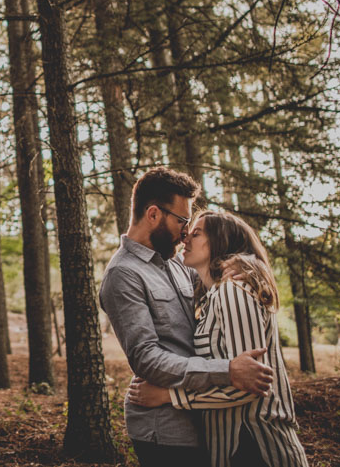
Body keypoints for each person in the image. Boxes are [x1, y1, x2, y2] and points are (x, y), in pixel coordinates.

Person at [98, 167, 273, 467]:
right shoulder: (123, 275)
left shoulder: (175, 262)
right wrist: (227, 370)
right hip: (165, 428)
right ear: (153, 214)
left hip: (202, 416)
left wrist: (241, 267)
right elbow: (147, 359)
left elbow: (216, 272)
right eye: (181, 220)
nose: (186, 231)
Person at [127, 211, 308, 467]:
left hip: (256, 447)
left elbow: (251, 385)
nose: (186, 237)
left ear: (221, 242)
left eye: (197, 233)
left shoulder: (232, 292)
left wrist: (170, 396)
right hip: (231, 449)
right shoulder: (212, 296)